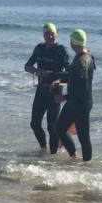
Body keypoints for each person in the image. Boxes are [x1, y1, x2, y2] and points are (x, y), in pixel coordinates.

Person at [24, 22, 70, 154]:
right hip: (41, 90)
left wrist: (57, 78)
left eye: (52, 34)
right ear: (43, 35)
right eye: (47, 34)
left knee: (52, 127)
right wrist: (36, 71)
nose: (50, 36)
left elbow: (69, 73)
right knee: (34, 123)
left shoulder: (61, 50)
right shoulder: (39, 49)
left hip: (55, 91)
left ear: (55, 34)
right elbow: (27, 65)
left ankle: (53, 155)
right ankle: (43, 148)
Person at [56, 29, 97, 161]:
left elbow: (82, 87)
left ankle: (87, 166)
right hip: (74, 102)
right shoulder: (84, 56)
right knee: (60, 128)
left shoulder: (82, 61)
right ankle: (74, 156)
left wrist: (64, 97)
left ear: (73, 42)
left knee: (84, 137)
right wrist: (62, 79)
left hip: (81, 103)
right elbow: (73, 77)